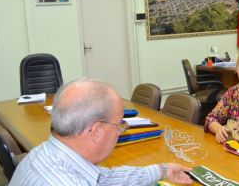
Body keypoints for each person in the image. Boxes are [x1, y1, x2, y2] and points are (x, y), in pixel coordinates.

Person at [10, 78, 193, 185]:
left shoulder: (45, 153)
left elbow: (103, 179)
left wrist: (162, 171)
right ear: (96, 131)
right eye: (118, 125)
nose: (119, 132)